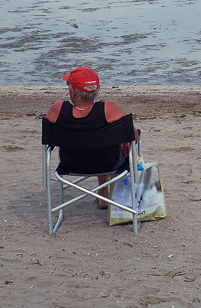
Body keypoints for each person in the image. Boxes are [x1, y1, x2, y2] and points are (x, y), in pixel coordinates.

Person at [45, 67, 137, 205]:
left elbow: (48, 137)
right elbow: (133, 135)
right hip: (109, 162)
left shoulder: (58, 109)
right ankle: (105, 195)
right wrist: (124, 140)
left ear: (72, 91)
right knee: (104, 143)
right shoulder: (109, 109)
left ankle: (103, 195)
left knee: (91, 141)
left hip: (70, 163)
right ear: (96, 91)